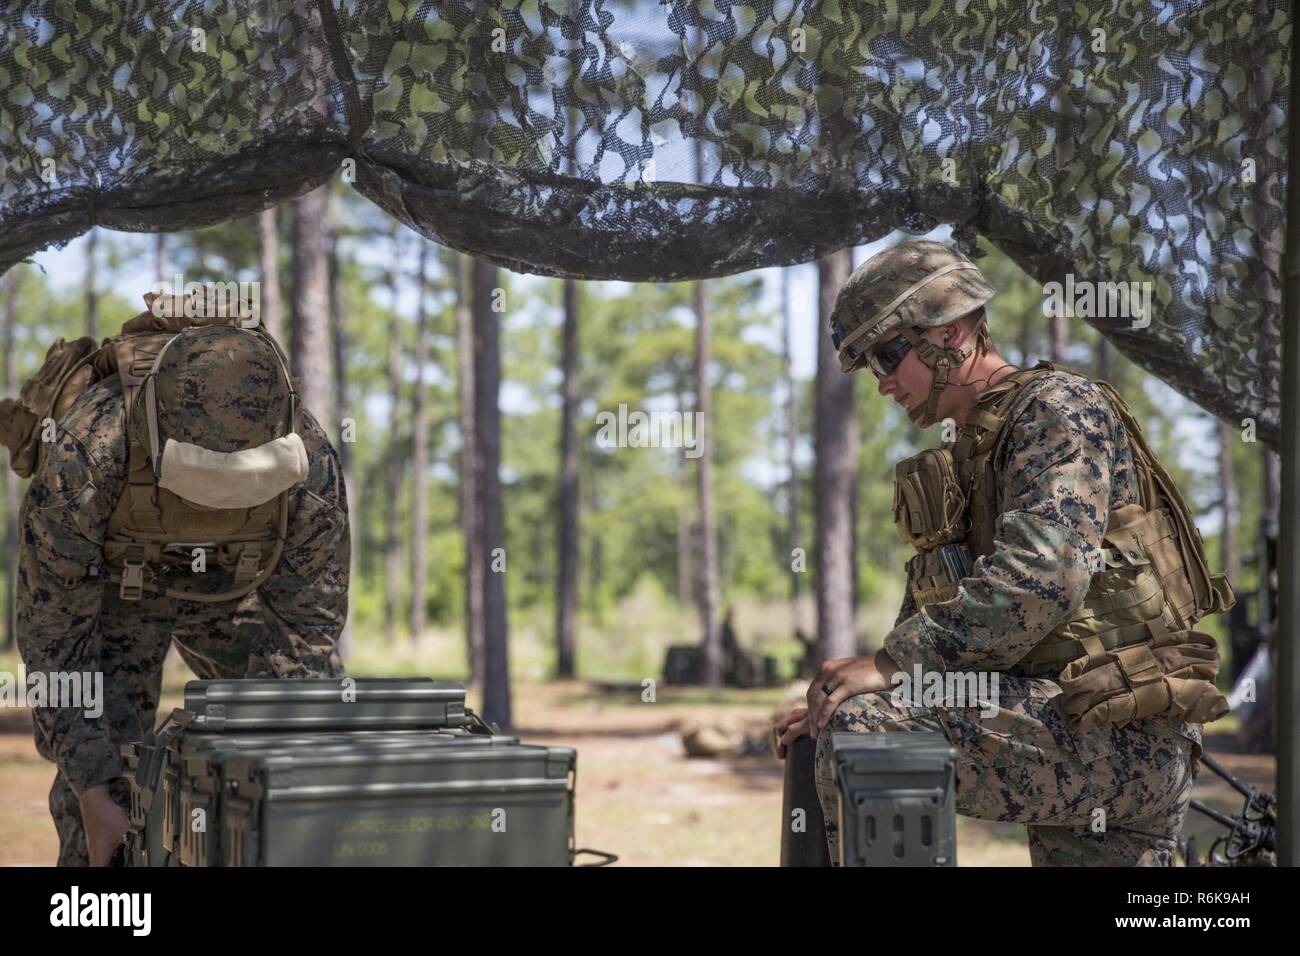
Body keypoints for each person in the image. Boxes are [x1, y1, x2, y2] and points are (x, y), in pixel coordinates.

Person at [775, 239, 1230, 866]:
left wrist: (886, 670)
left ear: (951, 332)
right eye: (870, 368)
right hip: (1072, 721)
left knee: (873, 729)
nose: (882, 383)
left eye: (888, 354)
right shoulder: (967, 456)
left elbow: (1043, 578)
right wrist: (841, 692)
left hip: (1121, 729)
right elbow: (939, 616)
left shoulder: (1058, 410)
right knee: (853, 716)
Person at [13, 300, 350, 866]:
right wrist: (95, 791)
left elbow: (305, 627)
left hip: (234, 591)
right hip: (116, 597)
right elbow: (55, 646)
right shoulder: (86, 455)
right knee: (104, 804)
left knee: (307, 742)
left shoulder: (311, 463)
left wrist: (256, 765)